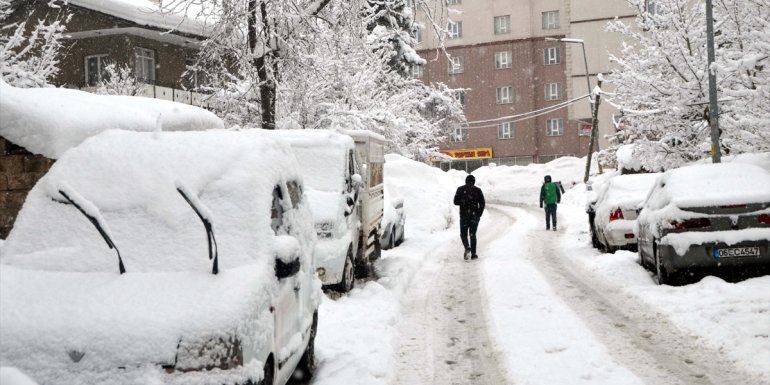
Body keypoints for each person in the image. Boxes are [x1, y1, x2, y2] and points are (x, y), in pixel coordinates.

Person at [454, 175, 485, 260]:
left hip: (464, 215)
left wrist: (462, 201)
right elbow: (482, 203)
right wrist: (479, 213)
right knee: (473, 234)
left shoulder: (460, 189)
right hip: (474, 216)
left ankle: (467, 246)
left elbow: (455, 201)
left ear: (466, 181)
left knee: (463, 234)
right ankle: (474, 254)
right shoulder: (478, 190)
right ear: (474, 182)